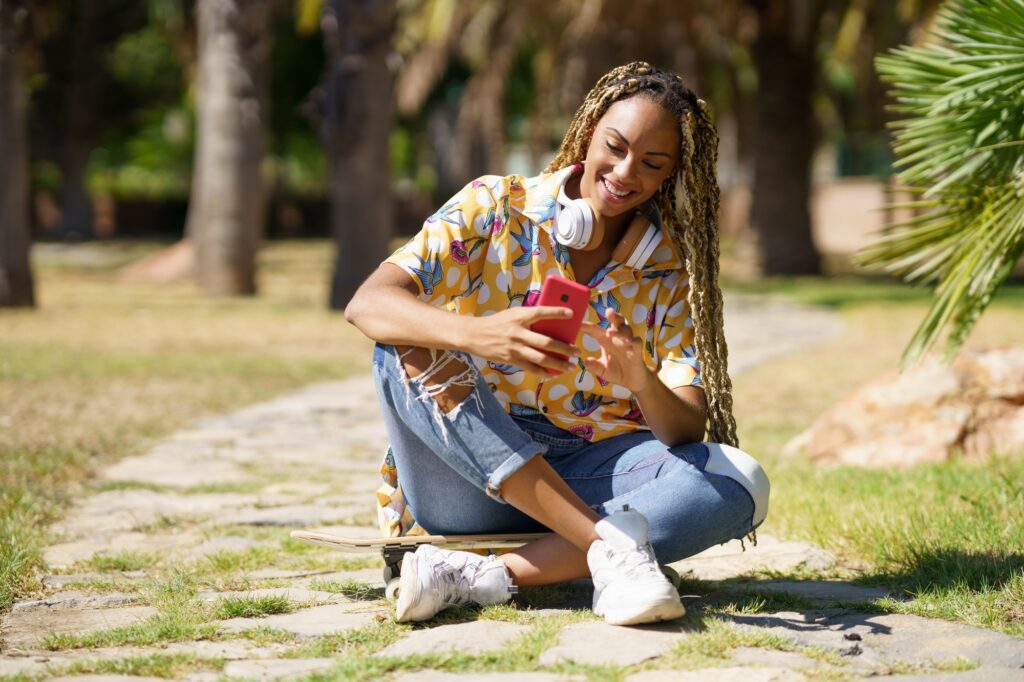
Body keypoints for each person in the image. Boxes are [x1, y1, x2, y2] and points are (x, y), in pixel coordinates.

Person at [345, 61, 770, 626]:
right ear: (590, 128)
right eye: (615, 147)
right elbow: (368, 304)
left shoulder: (665, 268)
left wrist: (641, 380)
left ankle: (484, 577)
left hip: (591, 471)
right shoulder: (494, 207)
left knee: (739, 482)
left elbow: (687, 430)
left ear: (671, 175)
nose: (624, 173)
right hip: (466, 479)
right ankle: (609, 549)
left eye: (652, 164)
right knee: (399, 345)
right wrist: (477, 335)